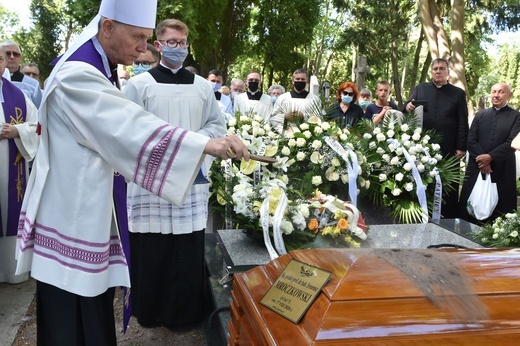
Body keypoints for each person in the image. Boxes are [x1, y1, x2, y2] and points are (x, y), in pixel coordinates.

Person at [14, 1, 249, 344]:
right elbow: (126, 126)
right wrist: (204, 146)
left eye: (148, 37)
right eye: (138, 36)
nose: (145, 47)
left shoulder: (99, 65)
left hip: (84, 208)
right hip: (74, 216)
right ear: (107, 27)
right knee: (72, 323)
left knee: (89, 312)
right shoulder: (77, 73)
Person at [123, 18, 226, 328]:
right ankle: (151, 310)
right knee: (153, 247)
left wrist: (194, 147)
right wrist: (179, 147)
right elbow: (129, 131)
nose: (178, 48)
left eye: (182, 43)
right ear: (158, 44)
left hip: (190, 181)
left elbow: (216, 127)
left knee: (186, 246)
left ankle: (185, 313)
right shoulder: (138, 85)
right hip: (150, 181)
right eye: (171, 42)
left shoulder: (202, 87)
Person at [403, 58, 468, 218]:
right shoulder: (421, 88)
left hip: (449, 148)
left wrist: (461, 147)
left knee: (448, 184)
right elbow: (406, 108)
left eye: (441, 68)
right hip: (422, 148)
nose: (438, 71)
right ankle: (423, 215)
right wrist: (407, 106)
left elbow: (463, 122)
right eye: (435, 69)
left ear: (448, 72)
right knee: (424, 181)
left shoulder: (458, 93)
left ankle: (449, 219)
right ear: (431, 72)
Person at [0, 48, 38, 284]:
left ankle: (9, 270)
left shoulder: (19, 96)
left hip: (10, 173)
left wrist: (17, 131)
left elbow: (38, 127)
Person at [458, 83, 520, 224]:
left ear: (509, 95)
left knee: (500, 213)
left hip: (502, 167)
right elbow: (471, 139)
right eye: (493, 91)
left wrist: (490, 157)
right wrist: (482, 161)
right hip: (477, 166)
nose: (496, 95)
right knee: (468, 209)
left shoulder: (516, 117)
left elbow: (512, 142)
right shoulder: (481, 115)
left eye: (501, 92)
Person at [270, 68, 322, 133]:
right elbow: (274, 117)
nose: (300, 81)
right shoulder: (283, 98)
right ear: (293, 81)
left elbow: (318, 119)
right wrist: (285, 117)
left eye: (303, 79)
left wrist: (303, 116)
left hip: (307, 136)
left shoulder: (314, 99)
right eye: (297, 79)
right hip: (286, 135)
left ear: (307, 82)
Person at [0, 40, 42, 107]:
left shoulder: (33, 84)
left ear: (20, 58)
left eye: (16, 54)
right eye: (7, 53)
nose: (12, 57)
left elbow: (39, 110)